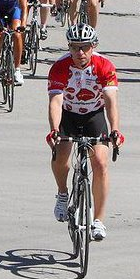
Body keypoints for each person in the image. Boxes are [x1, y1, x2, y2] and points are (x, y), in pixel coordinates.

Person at [46, 23, 124, 241]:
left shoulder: (104, 66)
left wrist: (115, 130)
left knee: (100, 162)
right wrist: (54, 129)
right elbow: (55, 100)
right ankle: (62, 193)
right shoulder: (60, 67)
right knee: (61, 155)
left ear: (93, 46)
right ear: (69, 47)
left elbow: (110, 102)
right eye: (75, 47)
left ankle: (98, 220)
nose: (80, 52)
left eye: (85, 47)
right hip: (68, 114)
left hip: (93, 115)